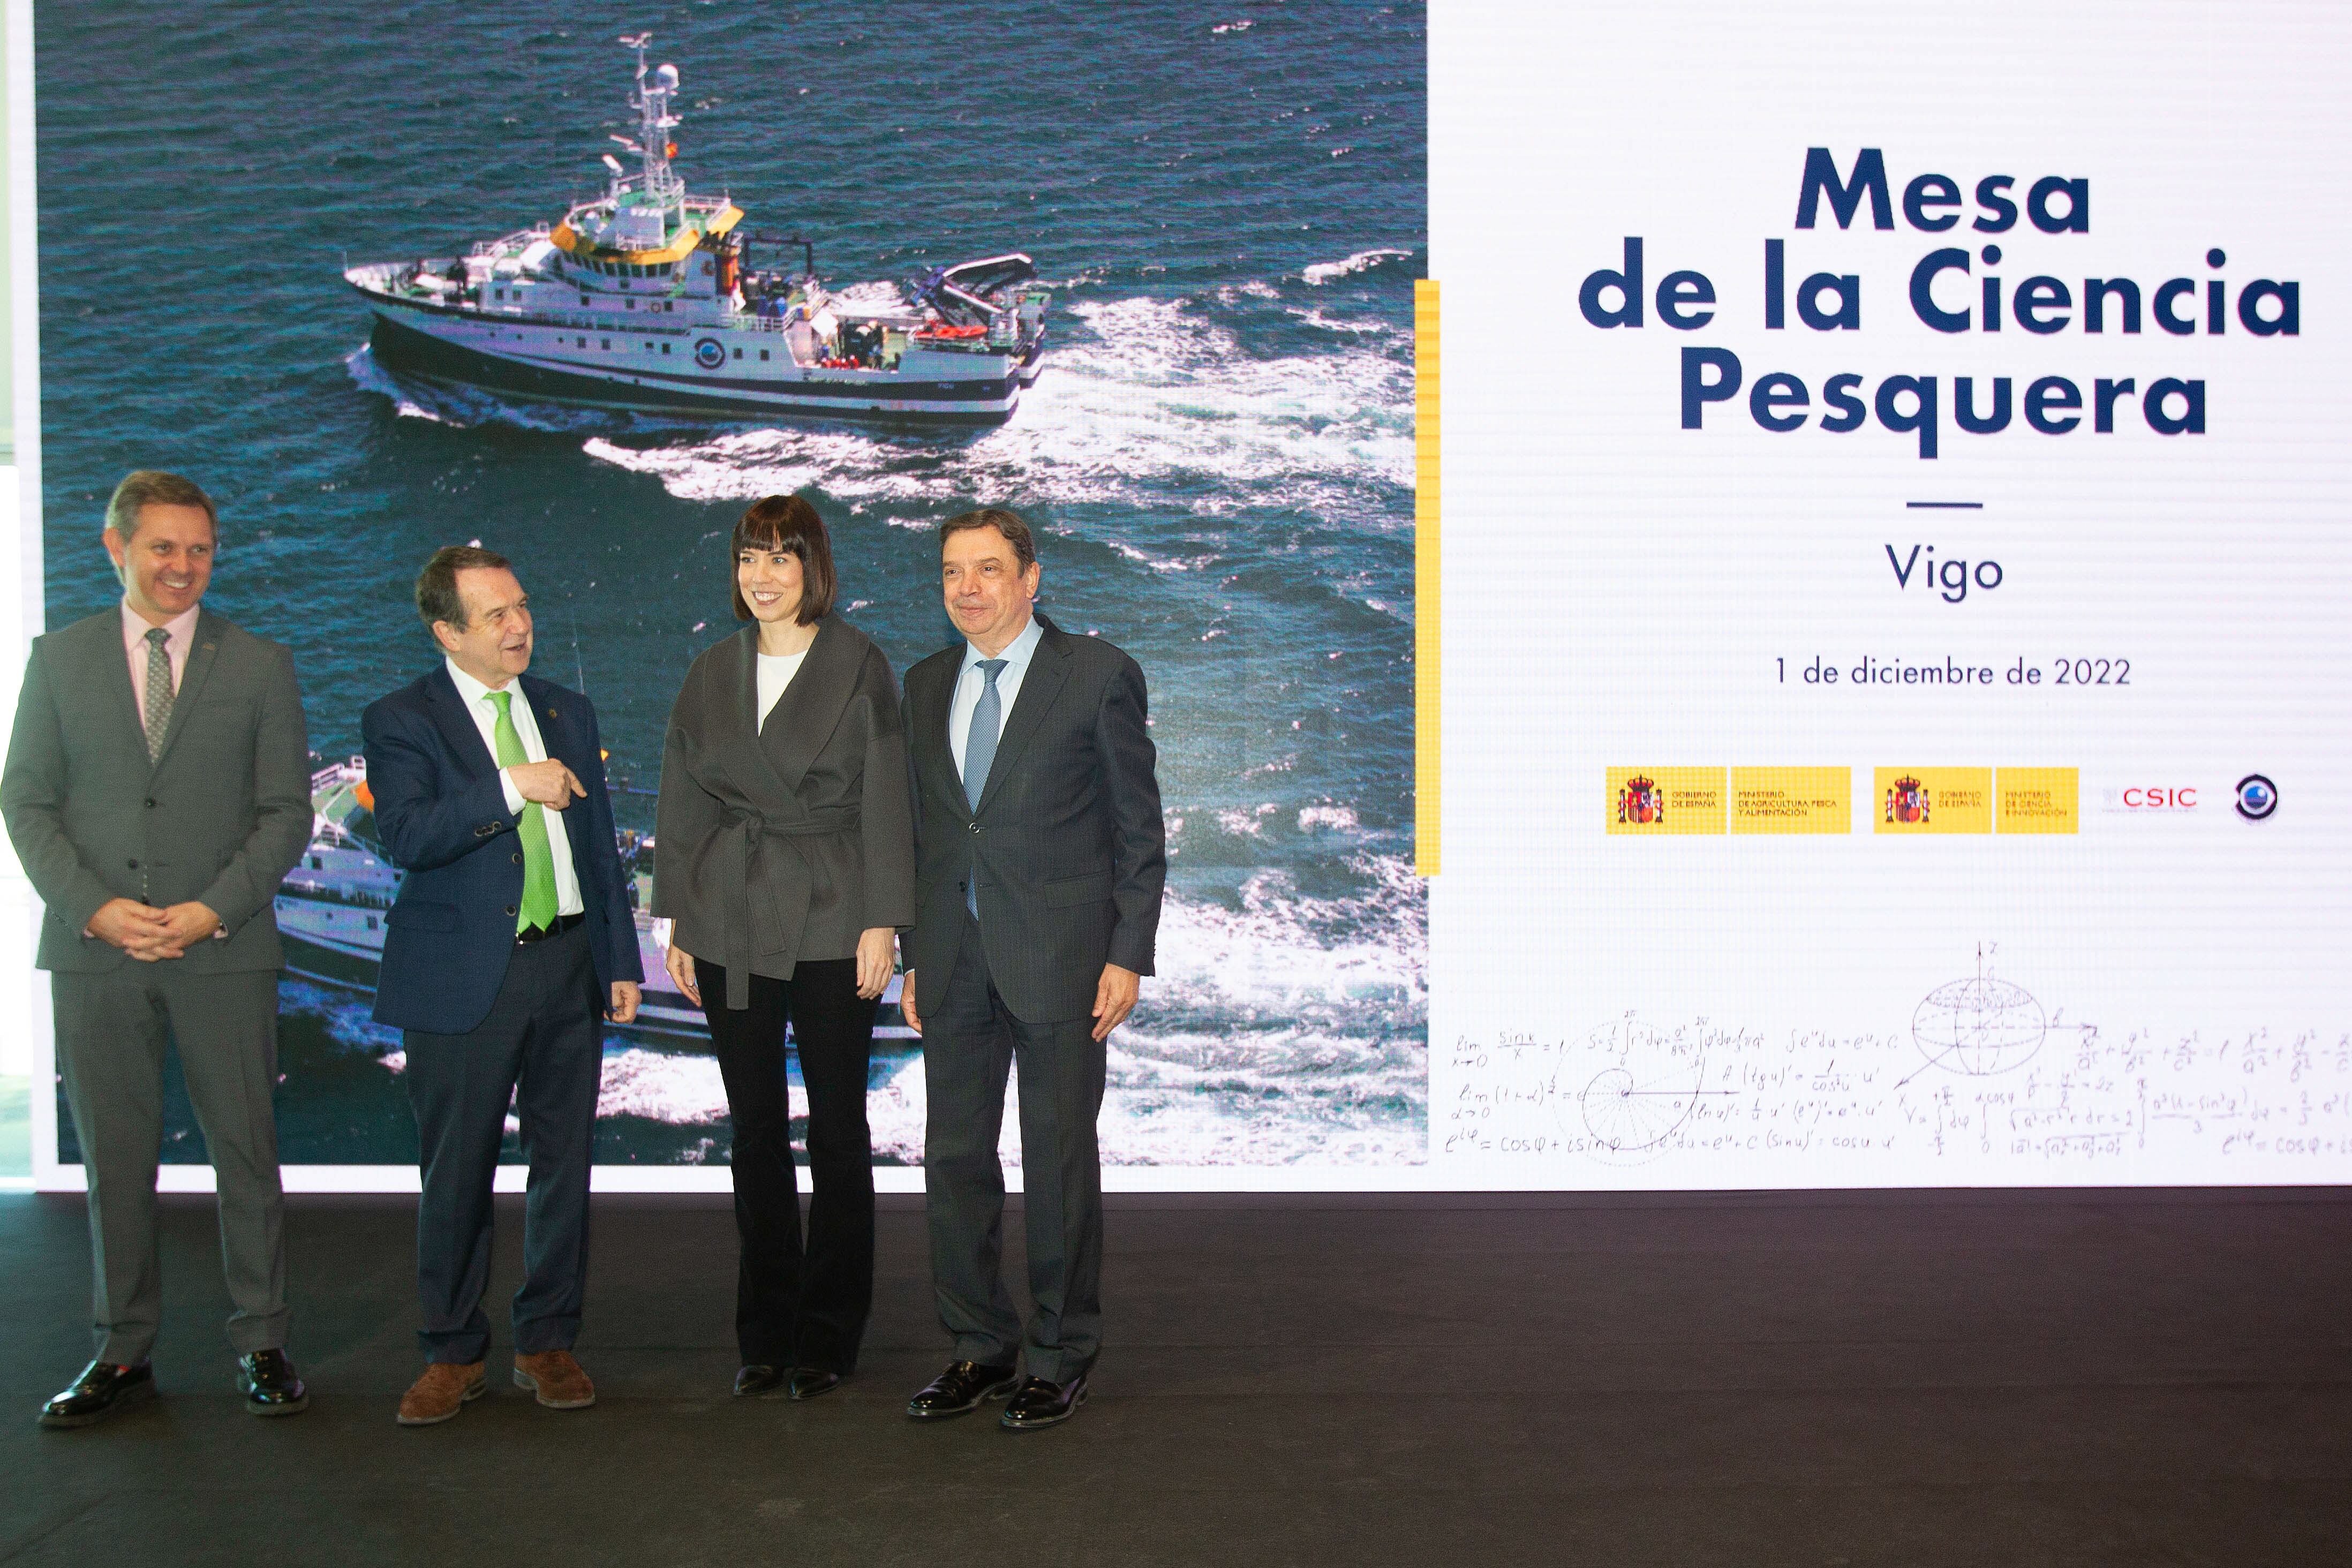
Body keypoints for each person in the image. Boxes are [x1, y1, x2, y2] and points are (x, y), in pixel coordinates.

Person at [2, 470, 313, 1427]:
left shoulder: (261, 664)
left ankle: (261, 1341)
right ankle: (121, 1350)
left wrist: (209, 909)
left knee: (246, 1153)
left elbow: (286, 814)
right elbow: (26, 801)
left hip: (222, 949)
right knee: (116, 1159)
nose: (184, 568)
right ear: (116, 547)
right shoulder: (55, 661)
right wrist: (94, 908)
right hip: (96, 952)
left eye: (200, 550)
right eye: (164, 548)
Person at [361, 545, 642, 1426]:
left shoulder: (568, 706)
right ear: (446, 631)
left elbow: (600, 852)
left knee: (565, 1166)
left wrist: (619, 960)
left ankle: (547, 1342)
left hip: (567, 967)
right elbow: (404, 835)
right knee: (457, 1173)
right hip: (459, 978)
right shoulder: (401, 718)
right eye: (495, 615)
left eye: (521, 606)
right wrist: (507, 788)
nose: (519, 625)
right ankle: (451, 1352)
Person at [898, 506, 1166, 1430]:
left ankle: (1059, 1357)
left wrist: (1128, 955)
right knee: (956, 1162)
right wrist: (915, 956)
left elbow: (1140, 832)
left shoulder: (1096, 676)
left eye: (987, 570)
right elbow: (931, 837)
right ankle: (978, 1346)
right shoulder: (925, 684)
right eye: (951, 573)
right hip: (954, 963)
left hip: (1061, 961)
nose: (967, 589)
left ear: (1031, 578)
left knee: (1056, 1166)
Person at [652, 495, 914, 1400]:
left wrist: (887, 920)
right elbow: (683, 798)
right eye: (748, 559)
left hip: (838, 909)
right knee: (755, 1130)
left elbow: (889, 795)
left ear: (814, 568)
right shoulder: (709, 671)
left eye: (780, 559)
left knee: (839, 1132)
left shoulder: (860, 664)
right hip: (730, 913)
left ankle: (831, 1333)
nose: (762, 577)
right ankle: (764, 1330)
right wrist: (676, 917)